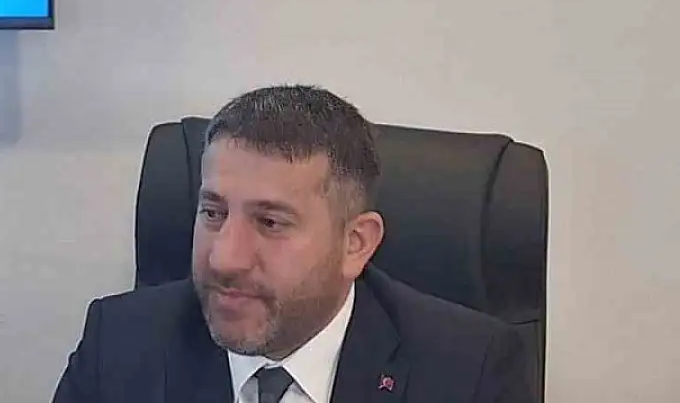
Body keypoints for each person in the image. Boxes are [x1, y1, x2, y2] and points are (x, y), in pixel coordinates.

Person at [52, 85, 533, 403]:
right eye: (213, 213)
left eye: (270, 222)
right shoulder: (120, 346)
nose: (225, 258)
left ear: (355, 244)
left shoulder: (469, 371)